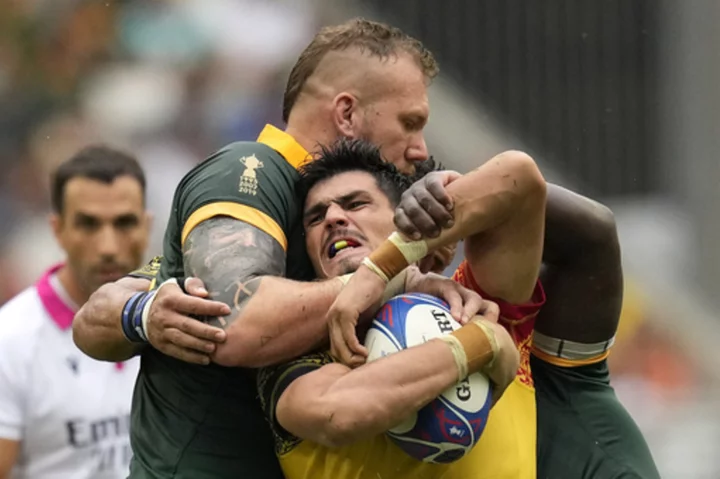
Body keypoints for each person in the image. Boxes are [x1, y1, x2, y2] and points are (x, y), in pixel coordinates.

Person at [72, 18, 484, 479]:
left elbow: (103, 311)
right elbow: (237, 325)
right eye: (409, 123)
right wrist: (392, 277)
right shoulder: (250, 172)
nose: (418, 148)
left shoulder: (323, 216)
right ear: (346, 114)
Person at [256, 138, 546, 478]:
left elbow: (520, 177)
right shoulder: (297, 352)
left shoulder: (470, 301)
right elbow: (336, 413)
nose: (334, 217)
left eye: (355, 203)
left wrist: (378, 272)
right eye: (316, 217)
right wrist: (482, 342)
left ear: (404, 222)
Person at [0, 146, 151, 478]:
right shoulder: (9, 341)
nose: (108, 246)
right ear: (58, 229)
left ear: (148, 225)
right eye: (88, 224)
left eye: (124, 222)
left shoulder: (173, 323)